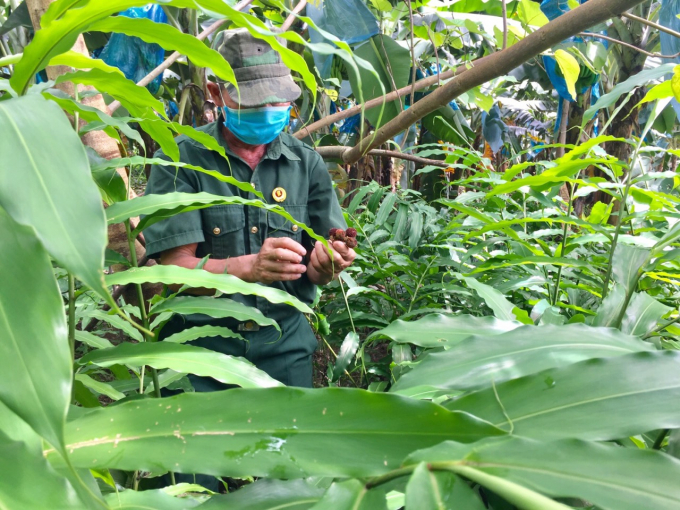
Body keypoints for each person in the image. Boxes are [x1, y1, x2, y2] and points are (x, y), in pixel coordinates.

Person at [143, 28, 355, 389]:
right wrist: (250, 268)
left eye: (277, 102)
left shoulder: (307, 165)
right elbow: (174, 273)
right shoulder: (179, 161)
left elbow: (319, 266)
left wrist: (326, 264)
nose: (269, 111)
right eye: (255, 102)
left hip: (285, 349)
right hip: (201, 352)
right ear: (215, 94)